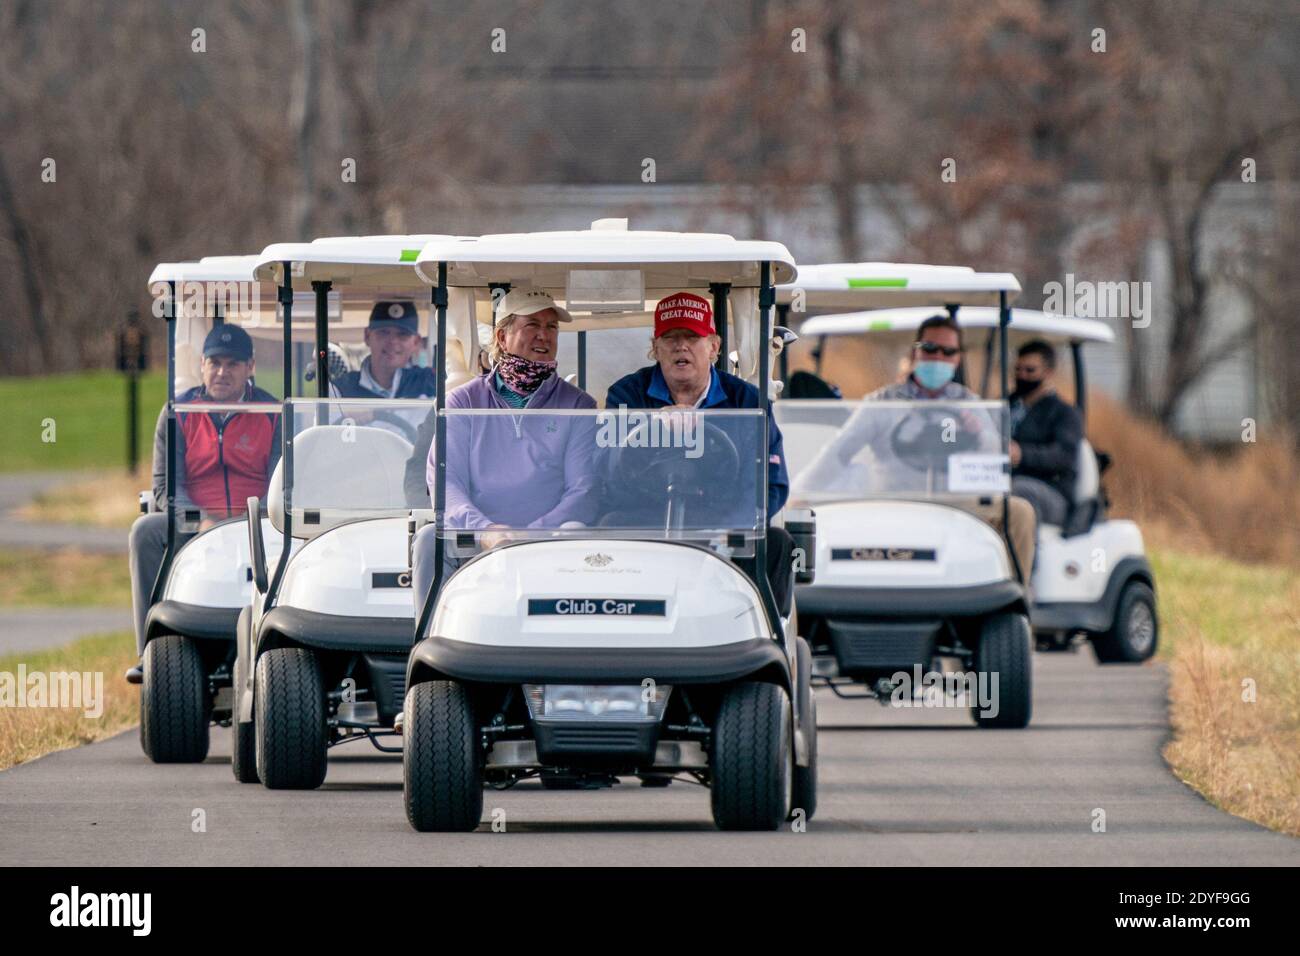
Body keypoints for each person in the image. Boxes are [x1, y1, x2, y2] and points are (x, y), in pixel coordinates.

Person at [796, 314, 1037, 578]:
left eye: (948, 351)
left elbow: (994, 461)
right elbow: (839, 450)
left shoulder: (968, 403)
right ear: (915, 353)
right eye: (930, 349)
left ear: (957, 358)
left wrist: (978, 434)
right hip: (895, 497)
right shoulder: (883, 402)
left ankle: (1013, 602)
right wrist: (800, 491)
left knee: (1020, 512)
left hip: (954, 501)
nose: (938, 358)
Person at [603, 291, 795, 616]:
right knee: (607, 529)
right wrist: (653, 427)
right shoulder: (627, 395)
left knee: (775, 543)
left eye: (692, 337)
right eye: (671, 338)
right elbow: (608, 473)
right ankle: (611, 631)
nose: (681, 346)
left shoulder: (748, 402)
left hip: (723, 522)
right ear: (655, 347)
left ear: (714, 347)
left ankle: (755, 631)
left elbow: (770, 484)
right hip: (648, 519)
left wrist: (727, 526)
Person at [410, 289, 600, 602]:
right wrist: (486, 531)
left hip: (549, 539)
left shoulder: (578, 404)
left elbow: (584, 490)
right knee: (430, 539)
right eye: (532, 325)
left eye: (552, 327)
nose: (544, 335)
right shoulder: (463, 401)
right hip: (477, 539)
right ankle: (430, 642)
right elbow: (446, 483)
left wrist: (533, 532)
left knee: (576, 531)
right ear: (502, 335)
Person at [128, 323, 281, 661]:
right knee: (145, 532)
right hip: (197, 524)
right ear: (201, 365)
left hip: (256, 524)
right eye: (214, 363)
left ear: (250, 367)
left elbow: (280, 483)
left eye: (232, 364)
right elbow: (167, 487)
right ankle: (149, 654)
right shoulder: (177, 413)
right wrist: (201, 521)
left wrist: (256, 520)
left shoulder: (272, 413)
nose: (222, 372)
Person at [332, 300, 437, 445]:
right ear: (367, 336)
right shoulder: (339, 391)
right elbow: (326, 445)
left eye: (403, 334)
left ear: (416, 342)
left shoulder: (432, 384)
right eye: (383, 332)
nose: (393, 341)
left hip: (415, 468)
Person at [1008, 339, 1083, 528]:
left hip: (1051, 493)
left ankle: (1024, 556)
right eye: (1018, 369)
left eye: (1030, 370)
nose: (1022, 375)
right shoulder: (1006, 405)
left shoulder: (1065, 413)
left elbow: (1063, 455)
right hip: (1004, 481)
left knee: (1018, 490)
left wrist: (1021, 455)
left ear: (1048, 372)